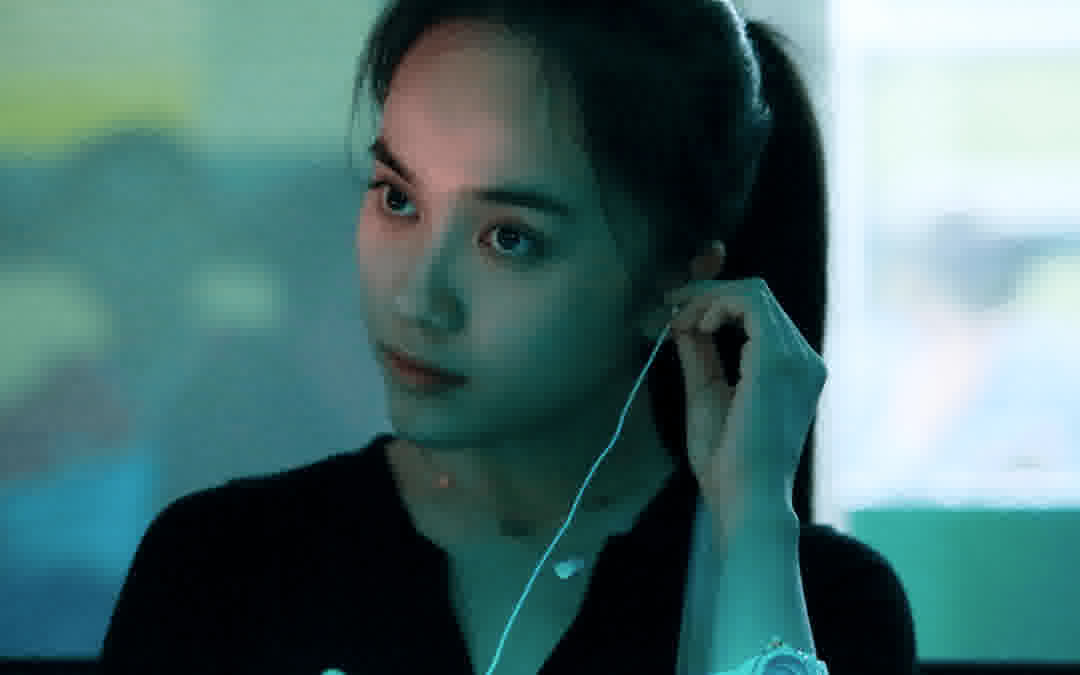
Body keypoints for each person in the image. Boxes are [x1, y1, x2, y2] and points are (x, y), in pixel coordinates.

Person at [100, 1, 917, 674]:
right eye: (397, 198)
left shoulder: (821, 598)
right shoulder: (222, 564)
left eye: (509, 238)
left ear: (672, 283)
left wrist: (755, 527)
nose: (418, 297)